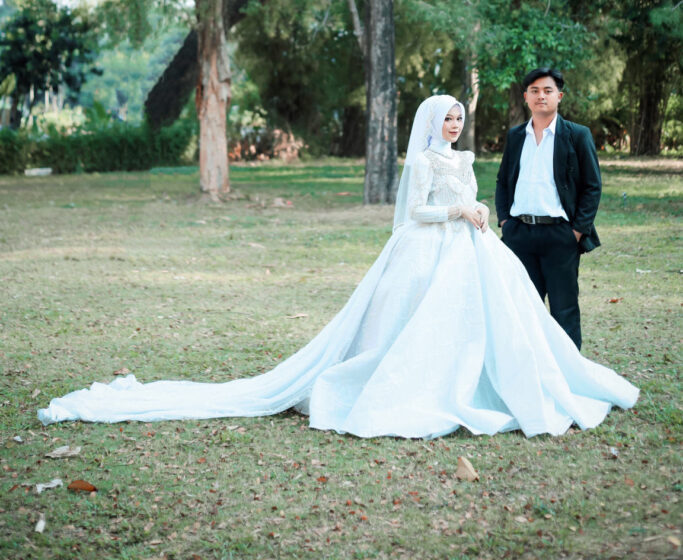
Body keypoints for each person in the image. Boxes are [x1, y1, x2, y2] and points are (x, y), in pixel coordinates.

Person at [39, 95, 637, 437]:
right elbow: (416, 212)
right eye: (446, 118)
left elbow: (473, 195)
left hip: (470, 248)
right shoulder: (422, 161)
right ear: (430, 123)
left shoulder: (464, 156)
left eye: (458, 117)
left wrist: (476, 208)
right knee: (414, 323)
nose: (454, 125)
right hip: (427, 248)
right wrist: (456, 209)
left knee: (491, 318)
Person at [495, 67, 601, 351]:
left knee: (564, 310)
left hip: (561, 236)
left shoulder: (577, 135)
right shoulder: (516, 136)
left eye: (547, 90)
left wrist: (577, 231)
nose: (541, 96)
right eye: (535, 91)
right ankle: (525, 369)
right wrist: (505, 222)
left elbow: (592, 186)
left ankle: (568, 373)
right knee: (520, 310)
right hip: (519, 235)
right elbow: (503, 181)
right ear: (526, 97)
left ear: (559, 96)